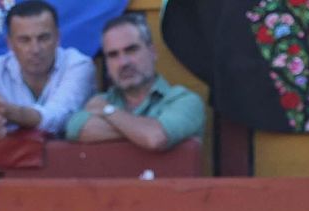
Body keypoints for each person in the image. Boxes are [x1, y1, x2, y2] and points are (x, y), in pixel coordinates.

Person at [65, 13, 205, 151]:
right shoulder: (100, 100)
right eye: (113, 55)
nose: (123, 63)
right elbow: (75, 129)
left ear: (152, 52)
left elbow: (155, 137)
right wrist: (140, 130)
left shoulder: (184, 100)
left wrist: (108, 111)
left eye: (131, 50)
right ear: (107, 64)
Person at [0, 0, 94, 138]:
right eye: (24, 40)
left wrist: (11, 113)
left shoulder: (79, 65)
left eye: (43, 38)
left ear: (58, 37)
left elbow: (57, 117)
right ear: (10, 44)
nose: (35, 49)